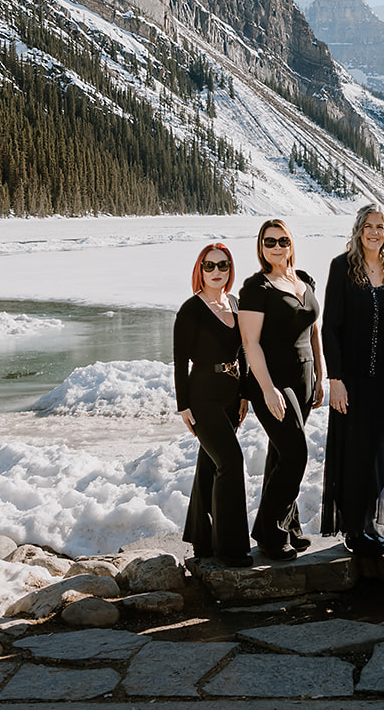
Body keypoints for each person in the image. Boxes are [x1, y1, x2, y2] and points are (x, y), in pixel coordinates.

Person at [320, 205, 384, 557]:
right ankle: (354, 529)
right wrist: (335, 378)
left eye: (381, 227)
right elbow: (329, 327)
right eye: (369, 226)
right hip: (353, 378)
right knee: (356, 454)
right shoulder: (342, 266)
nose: (375, 232)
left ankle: (369, 522)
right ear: (359, 230)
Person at [238, 218, 325, 561]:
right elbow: (250, 343)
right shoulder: (255, 287)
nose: (277, 248)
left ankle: (289, 527)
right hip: (272, 379)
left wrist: (321, 372)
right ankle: (268, 531)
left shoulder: (303, 280)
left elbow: (314, 330)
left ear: (291, 244)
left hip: (304, 377)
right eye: (269, 242)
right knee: (295, 453)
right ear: (260, 247)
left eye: (282, 241)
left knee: (280, 453)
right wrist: (267, 388)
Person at [173, 242, 251, 567]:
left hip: (232, 398)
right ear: (199, 270)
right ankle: (230, 547)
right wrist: (183, 406)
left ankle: (202, 541)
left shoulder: (235, 304)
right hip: (202, 396)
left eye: (223, 265)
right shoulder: (190, 310)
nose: (216, 272)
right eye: (209, 266)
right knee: (230, 462)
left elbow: (244, 351)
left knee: (209, 466)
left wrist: (245, 393)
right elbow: (179, 362)